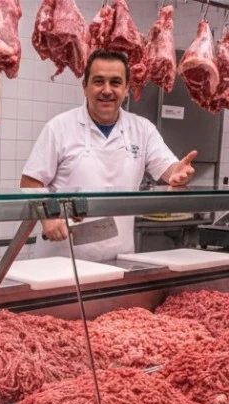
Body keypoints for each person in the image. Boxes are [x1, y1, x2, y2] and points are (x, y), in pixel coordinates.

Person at [20, 49, 197, 262]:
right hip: (62, 259)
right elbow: (30, 181)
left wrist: (177, 174)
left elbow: (169, 169)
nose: (106, 90)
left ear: (126, 89)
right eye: (98, 81)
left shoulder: (142, 129)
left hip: (119, 257)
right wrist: (48, 216)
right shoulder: (59, 128)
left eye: (115, 82)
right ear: (84, 87)